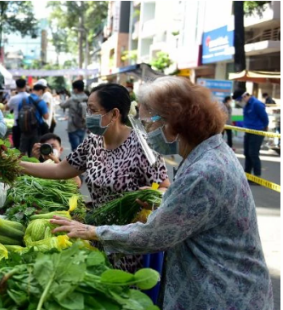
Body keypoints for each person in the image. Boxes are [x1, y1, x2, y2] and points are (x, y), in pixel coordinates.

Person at [51, 76, 273, 310]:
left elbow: (153, 236)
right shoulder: (211, 152)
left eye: (148, 124)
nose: (146, 132)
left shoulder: (203, 171)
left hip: (221, 295)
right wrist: (164, 199)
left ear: (172, 122)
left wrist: (92, 231)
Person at [20, 83, 169, 273]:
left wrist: (153, 195)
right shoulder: (93, 141)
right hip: (95, 232)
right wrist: (18, 165)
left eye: (92, 110)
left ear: (114, 114)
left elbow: (166, 188)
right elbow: (59, 170)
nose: (87, 116)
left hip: (128, 244)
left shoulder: (143, 146)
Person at [232, 89, 269, 179]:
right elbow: (247, 119)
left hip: (257, 131)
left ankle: (257, 176)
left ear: (244, 96)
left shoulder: (256, 104)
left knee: (253, 153)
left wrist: (263, 129)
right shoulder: (247, 106)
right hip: (248, 131)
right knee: (247, 153)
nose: (240, 102)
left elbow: (265, 119)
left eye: (239, 100)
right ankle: (247, 175)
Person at [18, 83, 50, 156]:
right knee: (35, 150)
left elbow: (19, 113)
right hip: (36, 129)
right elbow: (46, 117)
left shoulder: (23, 100)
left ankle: (19, 165)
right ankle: (32, 165)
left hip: (24, 129)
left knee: (22, 150)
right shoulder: (41, 101)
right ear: (41, 91)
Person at [60, 80, 89, 151]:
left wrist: (62, 100)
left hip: (72, 126)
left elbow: (62, 105)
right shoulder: (88, 98)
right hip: (83, 125)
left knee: (75, 149)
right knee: (81, 146)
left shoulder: (72, 99)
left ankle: (76, 161)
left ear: (75, 89)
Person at [7, 78, 30, 148]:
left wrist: (12, 95)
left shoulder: (13, 98)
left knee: (17, 146)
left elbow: (6, 108)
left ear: (16, 87)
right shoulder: (30, 97)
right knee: (27, 146)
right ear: (25, 86)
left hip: (17, 124)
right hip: (28, 124)